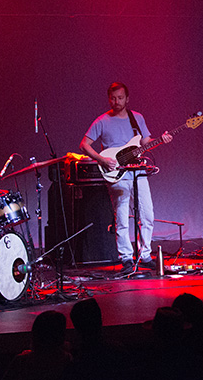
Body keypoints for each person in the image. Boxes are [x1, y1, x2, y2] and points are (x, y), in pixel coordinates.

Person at [80, 82, 170, 270]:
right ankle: (126, 258)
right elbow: (84, 144)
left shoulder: (136, 118)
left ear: (127, 99)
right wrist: (101, 159)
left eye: (120, 98)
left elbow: (145, 141)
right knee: (121, 217)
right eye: (113, 98)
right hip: (116, 174)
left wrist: (162, 139)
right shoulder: (101, 121)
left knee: (147, 215)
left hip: (138, 172)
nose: (116, 101)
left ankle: (145, 255)